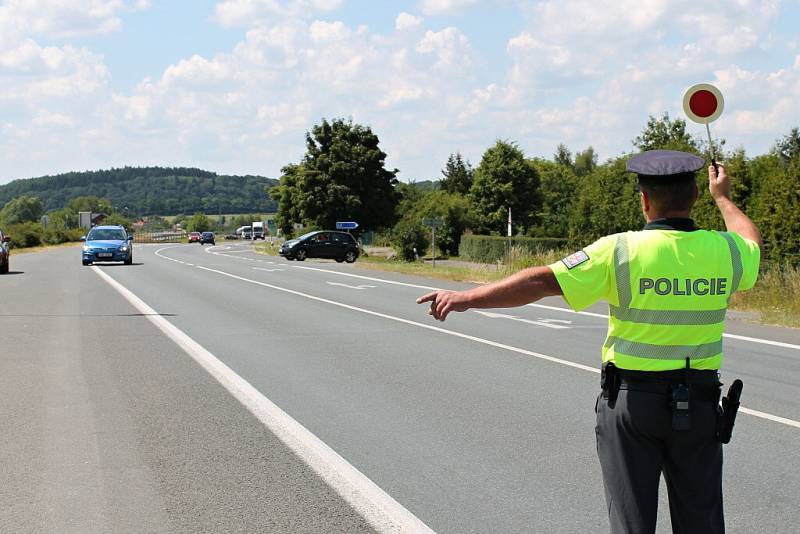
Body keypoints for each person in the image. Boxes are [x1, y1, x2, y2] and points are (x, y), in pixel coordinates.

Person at [416, 150, 762, 534]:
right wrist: (725, 198)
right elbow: (750, 241)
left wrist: (467, 298)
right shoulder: (727, 252)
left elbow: (542, 280)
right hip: (698, 405)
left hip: (633, 404)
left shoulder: (619, 250)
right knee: (702, 522)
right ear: (695, 194)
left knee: (631, 522)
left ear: (644, 200)